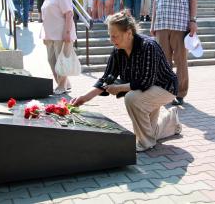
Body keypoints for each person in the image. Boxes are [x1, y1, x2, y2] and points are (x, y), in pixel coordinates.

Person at [70, 12, 181, 152]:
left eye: (114, 35)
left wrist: (119, 88)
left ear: (128, 33)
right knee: (149, 131)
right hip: (147, 90)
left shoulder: (148, 46)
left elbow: (145, 82)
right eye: (110, 35)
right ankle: (172, 120)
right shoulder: (118, 50)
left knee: (132, 98)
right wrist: (84, 98)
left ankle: (145, 143)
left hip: (165, 88)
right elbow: (106, 79)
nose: (111, 39)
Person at [150, 0, 202, 106]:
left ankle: (180, 93)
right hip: (162, 25)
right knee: (163, 62)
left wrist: (193, 20)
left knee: (180, 61)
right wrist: (153, 24)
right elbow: (155, 1)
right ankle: (165, 92)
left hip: (180, 24)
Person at [40, 0, 77, 94]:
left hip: (61, 33)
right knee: (51, 60)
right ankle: (65, 83)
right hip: (50, 34)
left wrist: (67, 32)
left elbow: (69, 13)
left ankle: (61, 85)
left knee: (61, 61)